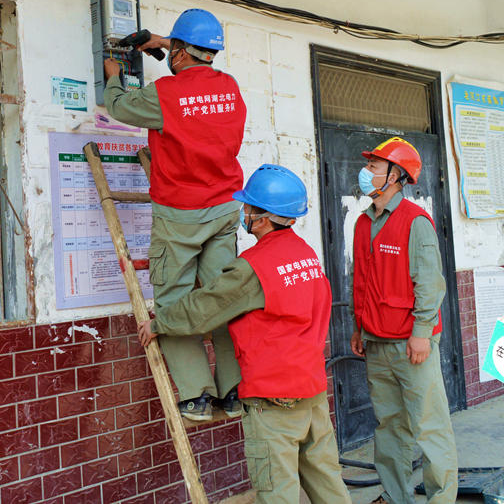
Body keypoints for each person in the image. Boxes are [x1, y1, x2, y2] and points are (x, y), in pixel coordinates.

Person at [138, 164, 352, 504]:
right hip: (312, 394)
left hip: (273, 402)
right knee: (329, 488)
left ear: (263, 218)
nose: (243, 213)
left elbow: (204, 307)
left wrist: (158, 323)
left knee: (278, 495)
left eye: (248, 207)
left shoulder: (252, 267)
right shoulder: (306, 255)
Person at [104, 9, 246, 421]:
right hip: (225, 209)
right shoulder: (230, 88)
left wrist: (114, 74)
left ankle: (197, 396)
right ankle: (233, 391)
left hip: (181, 215)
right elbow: (197, 69)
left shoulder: (164, 94)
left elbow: (119, 106)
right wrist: (166, 42)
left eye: (174, 49)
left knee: (173, 302)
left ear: (181, 52)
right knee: (222, 297)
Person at [350, 137, 458, 504]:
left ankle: (441, 498)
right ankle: (396, 496)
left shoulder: (416, 222)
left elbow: (429, 283)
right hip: (376, 340)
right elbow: (361, 280)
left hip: (412, 343)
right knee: (390, 426)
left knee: (429, 425)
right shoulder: (362, 223)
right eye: (368, 165)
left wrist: (422, 333)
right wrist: (358, 327)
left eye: (374, 167)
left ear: (395, 176)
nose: (366, 172)